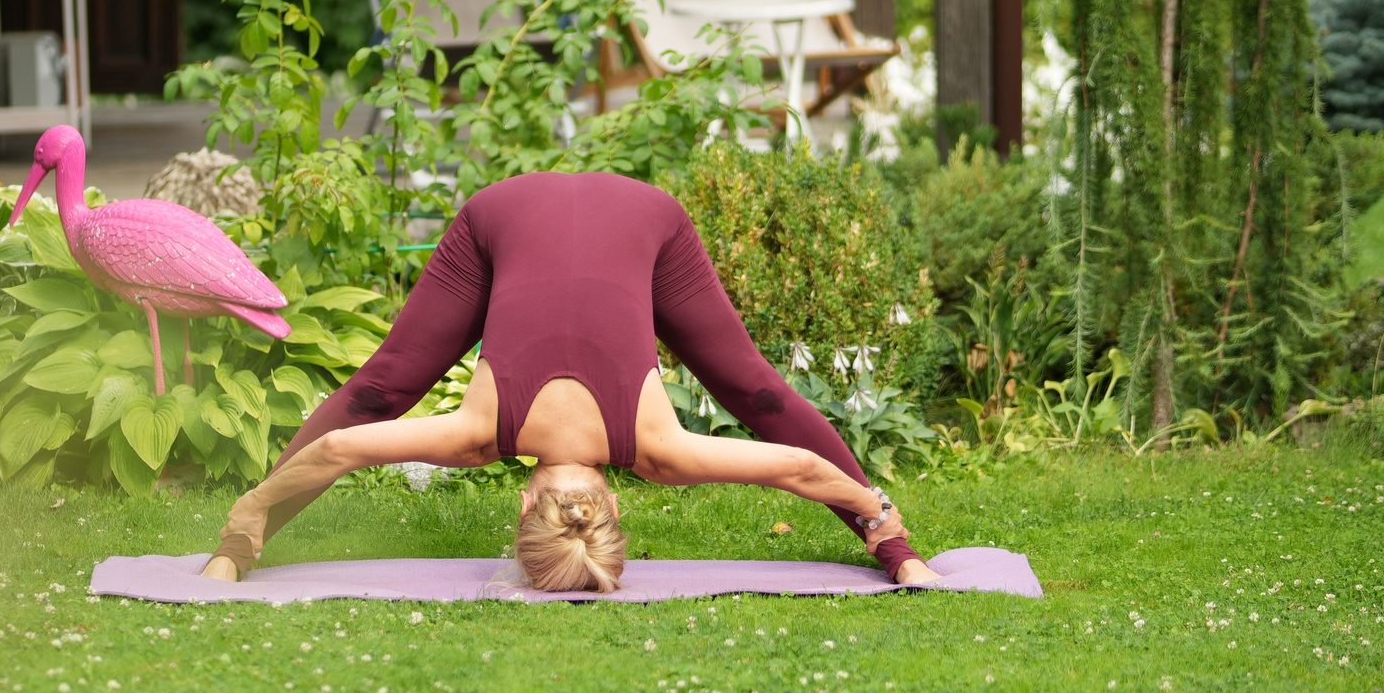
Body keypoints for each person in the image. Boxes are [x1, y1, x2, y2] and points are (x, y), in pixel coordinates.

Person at [202, 170, 928, 591]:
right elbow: (345, 443)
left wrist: (887, 529)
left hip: (528, 215)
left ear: (614, 503)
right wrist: (248, 519)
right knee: (379, 393)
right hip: (607, 218)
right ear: (523, 505)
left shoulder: (658, 451)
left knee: (756, 391)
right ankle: (243, 546)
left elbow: (799, 470)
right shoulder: (476, 436)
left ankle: (245, 546)